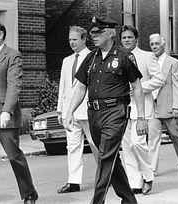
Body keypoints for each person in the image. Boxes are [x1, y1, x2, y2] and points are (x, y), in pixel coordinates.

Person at [64, 15, 148, 204]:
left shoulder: (125, 56)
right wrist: (69, 112)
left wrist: (141, 118)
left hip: (115, 112)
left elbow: (137, 87)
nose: (93, 36)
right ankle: (129, 200)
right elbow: (81, 87)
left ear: (110, 34)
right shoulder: (90, 58)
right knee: (109, 158)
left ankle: (97, 201)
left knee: (104, 157)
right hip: (93, 113)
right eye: (92, 32)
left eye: (97, 32)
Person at [0, 20, 38, 204]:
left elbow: (14, 85)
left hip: (4, 117)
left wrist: (7, 110)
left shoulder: (13, 55)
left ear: (1, 34)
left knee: (14, 157)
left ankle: (29, 193)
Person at [120, 25, 165, 195]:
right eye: (124, 38)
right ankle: (135, 183)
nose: (127, 40)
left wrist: (141, 87)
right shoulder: (117, 57)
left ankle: (148, 175)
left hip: (142, 108)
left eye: (130, 37)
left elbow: (160, 79)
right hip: (122, 108)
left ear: (136, 39)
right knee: (126, 146)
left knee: (137, 143)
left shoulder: (147, 57)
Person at [56, 25, 98, 194]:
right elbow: (63, 86)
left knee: (96, 144)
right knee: (72, 146)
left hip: (89, 110)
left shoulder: (93, 57)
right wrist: (61, 110)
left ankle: (108, 175)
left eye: (74, 39)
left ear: (83, 39)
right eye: (70, 40)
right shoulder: (67, 61)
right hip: (70, 112)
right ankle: (73, 182)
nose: (71, 43)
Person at [148, 33, 178, 175]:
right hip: (152, 105)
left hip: (168, 105)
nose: (154, 47)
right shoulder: (149, 61)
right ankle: (152, 168)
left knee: (176, 134)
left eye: (157, 44)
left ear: (163, 45)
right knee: (153, 137)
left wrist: (176, 107)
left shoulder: (173, 62)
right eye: (152, 44)